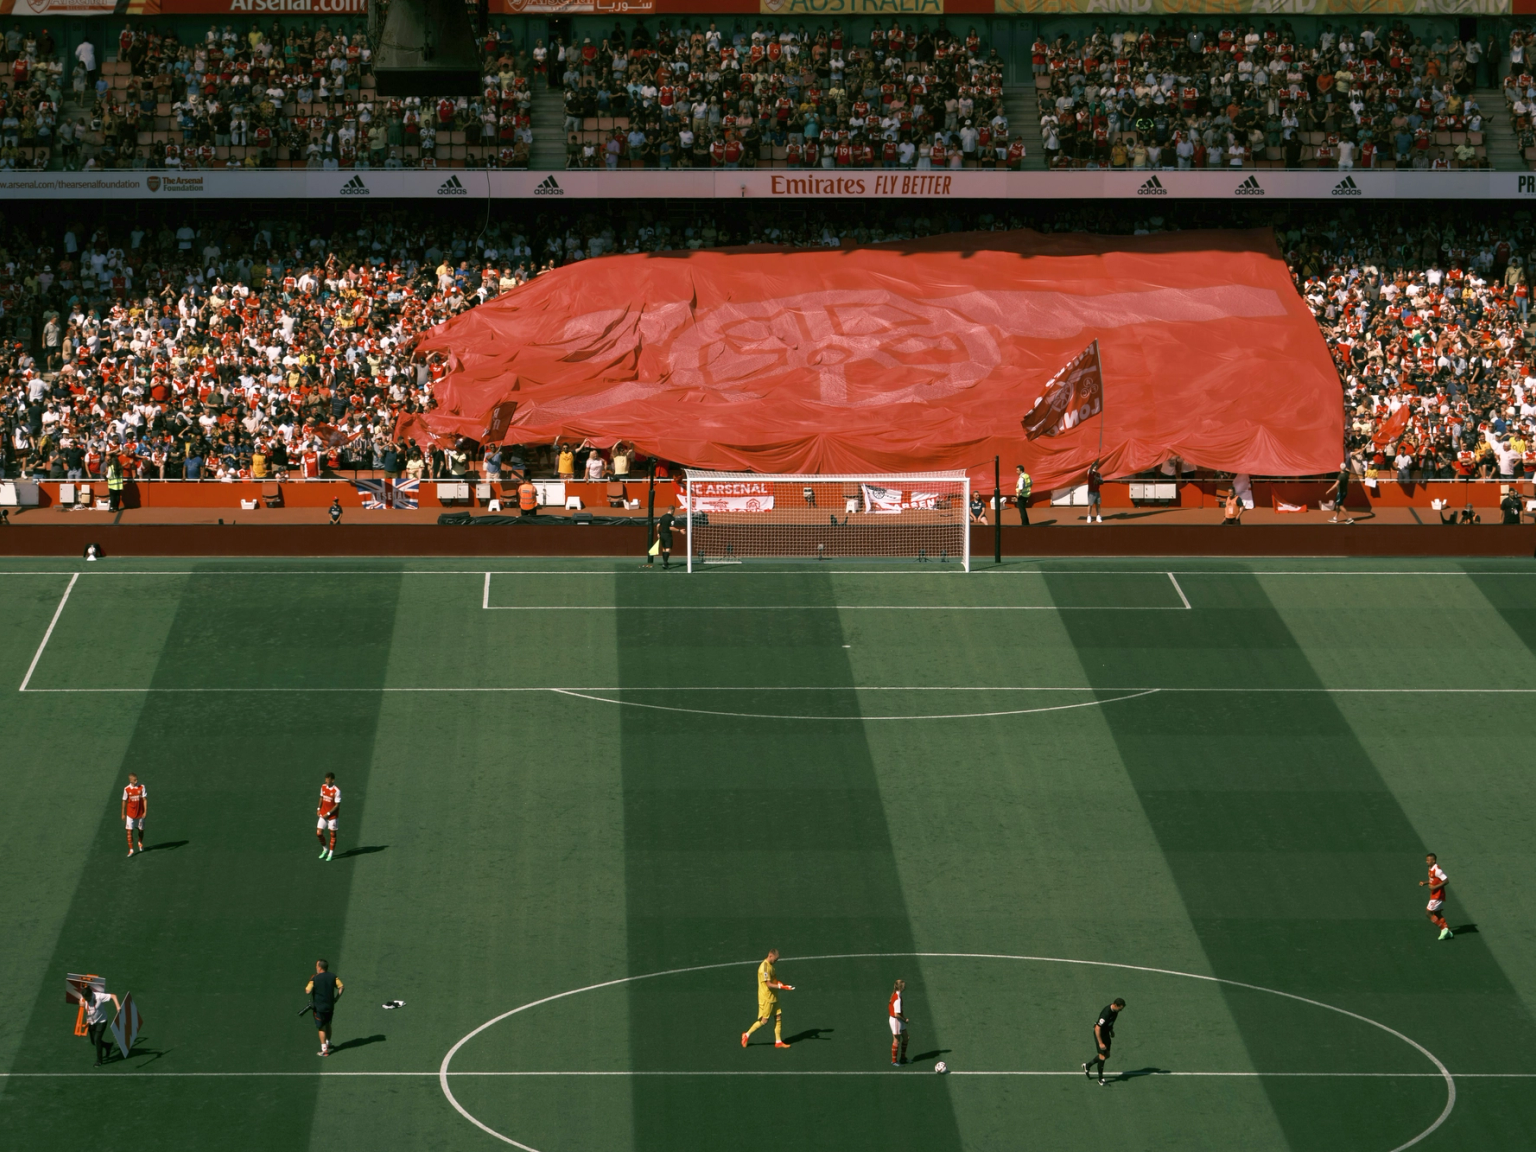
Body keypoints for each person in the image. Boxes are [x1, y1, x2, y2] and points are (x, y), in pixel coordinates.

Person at [741, 948, 794, 1048]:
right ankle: (746, 1035)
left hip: (774, 996)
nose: (776, 961)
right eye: (775, 959)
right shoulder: (764, 968)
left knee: (778, 1016)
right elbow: (769, 984)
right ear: (770, 956)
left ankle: (778, 1042)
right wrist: (780, 987)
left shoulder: (772, 967)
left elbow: (774, 980)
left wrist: (783, 985)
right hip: (766, 998)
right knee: (764, 1021)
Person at [306, 959, 344, 1056]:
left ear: (319, 967)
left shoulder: (315, 978)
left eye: (316, 966)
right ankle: (328, 1043)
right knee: (328, 1024)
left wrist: (310, 981)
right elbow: (341, 987)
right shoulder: (333, 976)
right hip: (330, 1006)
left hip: (319, 1007)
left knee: (321, 1027)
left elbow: (307, 991)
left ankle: (324, 1050)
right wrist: (336, 999)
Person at [1083, 997, 1124, 1085]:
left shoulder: (1115, 1011)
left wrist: (1111, 1031)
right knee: (1102, 1056)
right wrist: (1100, 1043)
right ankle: (1100, 1079)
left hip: (1106, 1033)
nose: (1120, 1011)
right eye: (1120, 1009)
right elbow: (1097, 1028)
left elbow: (1110, 1023)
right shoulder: (1106, 1013)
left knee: (1107, 1055)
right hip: (1100, 1034)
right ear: (1116, 1005)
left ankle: (1087, 1065)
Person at [84, 985, 120, 1067]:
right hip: (92, 1022)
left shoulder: (99, 996)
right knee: (94, 1042)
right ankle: (108, 1046)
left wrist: (117, 1006)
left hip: (101, 1021)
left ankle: (99, 1061)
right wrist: (87, 1021)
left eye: (86, 998)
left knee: (97, 1040)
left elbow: (113, 996)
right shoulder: (85, 998)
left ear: (90, 995)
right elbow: (89, 1010)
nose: (85, 1000)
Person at [1419, 853, 1453, 940]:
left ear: (1433, 861)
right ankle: (1448, 932)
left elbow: (1446, 880)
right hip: (1434, 894)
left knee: (1428, 913)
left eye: (1428, 860)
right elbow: (1433, 880)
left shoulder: (1437, 870)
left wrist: (1435, 887)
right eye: (1426, 860)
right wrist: (1425, 882)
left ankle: (1443, 929)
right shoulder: (1430, 868)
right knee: (1437, 913)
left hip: (1438, 895)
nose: (1426, 862)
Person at [316, 772, 340, 861]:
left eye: (328, 779)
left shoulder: (337, 791)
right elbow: (321, 797)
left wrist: (328, 814)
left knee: (332, 834)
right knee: (319, 833)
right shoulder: (323, 787)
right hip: (323, 814)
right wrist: (319, 808)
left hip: (332, 817)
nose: (326, 781)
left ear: (332, 780)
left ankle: (331, 853)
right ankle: (325, 849)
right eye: (325, 779)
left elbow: (337, 805)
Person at [122, 772, 147, 857]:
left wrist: (145, 812)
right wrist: (123, 813)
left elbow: (145, 800)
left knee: (141, 830)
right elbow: (124, 801)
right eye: (134, 780)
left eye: (136, 779)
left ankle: (140, 842)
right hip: (130, 814)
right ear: (130, 780)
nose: (136, 781)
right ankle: (131, 849)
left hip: (140, 814)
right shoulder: (126, 789)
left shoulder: (142, 787)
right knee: (129, 831)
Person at [888, 978, 909, 1066]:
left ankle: (903, 1058)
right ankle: (894, 1061)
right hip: (896, 1020)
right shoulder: (897, 999)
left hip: (899, 1020)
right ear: (901, 988)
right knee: (896, 1041)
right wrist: (904, 1019)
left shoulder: (896, 995)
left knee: (906, 1038)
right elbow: (896, 1014)